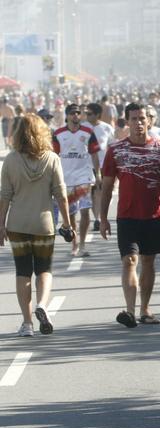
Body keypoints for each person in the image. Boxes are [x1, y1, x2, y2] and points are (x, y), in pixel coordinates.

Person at [100, 102, 160, 328]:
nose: (139, 123)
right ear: (127, 122)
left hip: (153, 215)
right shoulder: (116, 150)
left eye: (142, 118)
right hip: (126, 216)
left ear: (149, 121)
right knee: (129, 261)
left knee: (148, 261)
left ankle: (145, 309)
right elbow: (106, 187)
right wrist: (103, 218)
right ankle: (131, 311)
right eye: (134, 119)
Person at [0, 113, 72, 336]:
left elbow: (4, 196)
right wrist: (68, 224)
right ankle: (42, 304)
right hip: (44, 224)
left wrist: (0, 225)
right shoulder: (52, 158)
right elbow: (61, 195)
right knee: (44, 270)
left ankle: (27, 323)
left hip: (18, 225)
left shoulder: (11, 160)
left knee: (23, 272)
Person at [52, 104, 100, 257]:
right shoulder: (58, 133)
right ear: (67, 116)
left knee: (85, 211)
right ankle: (74, 245)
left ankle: (83, 245)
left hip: (84, 177)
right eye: (72, 113)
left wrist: (98, 175)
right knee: (71, 214)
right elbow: (53, 156)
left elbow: (94, 154)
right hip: (66, 179)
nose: (76, 116)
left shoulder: (88, 132)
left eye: (78, 113)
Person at [83, 102, 115, 233]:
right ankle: (96, 217)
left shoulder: (106, 128)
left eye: (89, 114)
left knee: (99, 193)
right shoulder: (82, 127)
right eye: (86, 113)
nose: (86, 116)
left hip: (102, 165)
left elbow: (112, 146)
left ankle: (98, 219)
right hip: (85, 166)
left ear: (97, 115)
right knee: (91, 194)